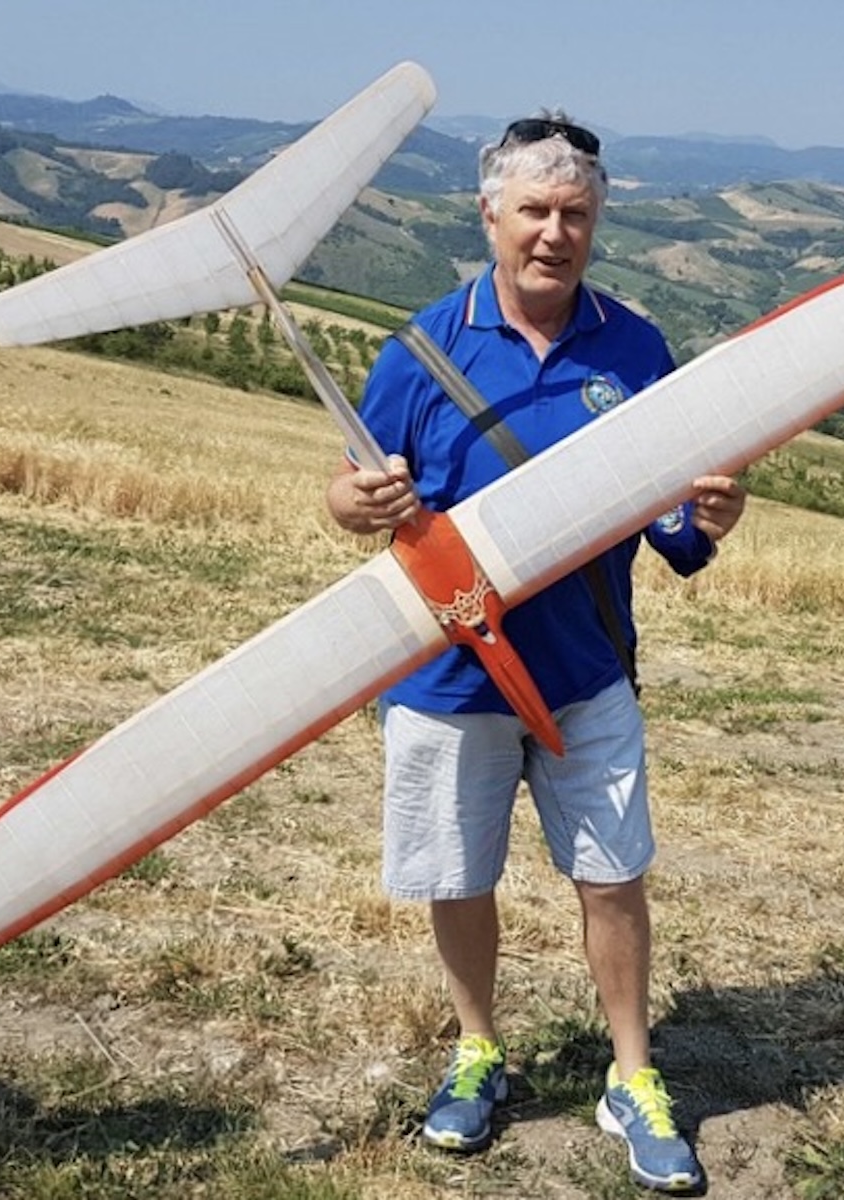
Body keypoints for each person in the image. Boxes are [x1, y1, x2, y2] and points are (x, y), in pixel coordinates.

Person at [326, 111, 745, 1193]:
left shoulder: (636, 348)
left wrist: (706, 520)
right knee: (457, 877)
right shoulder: (419, 351)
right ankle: (479, 1051)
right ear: (488, 215)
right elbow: (356, 493)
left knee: (614, 877)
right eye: (534, 211)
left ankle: (632, 1075)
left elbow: (670, 529)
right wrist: (351, 501)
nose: (555, 233)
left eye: (577, 213)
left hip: (586, 668)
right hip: (447, 675)